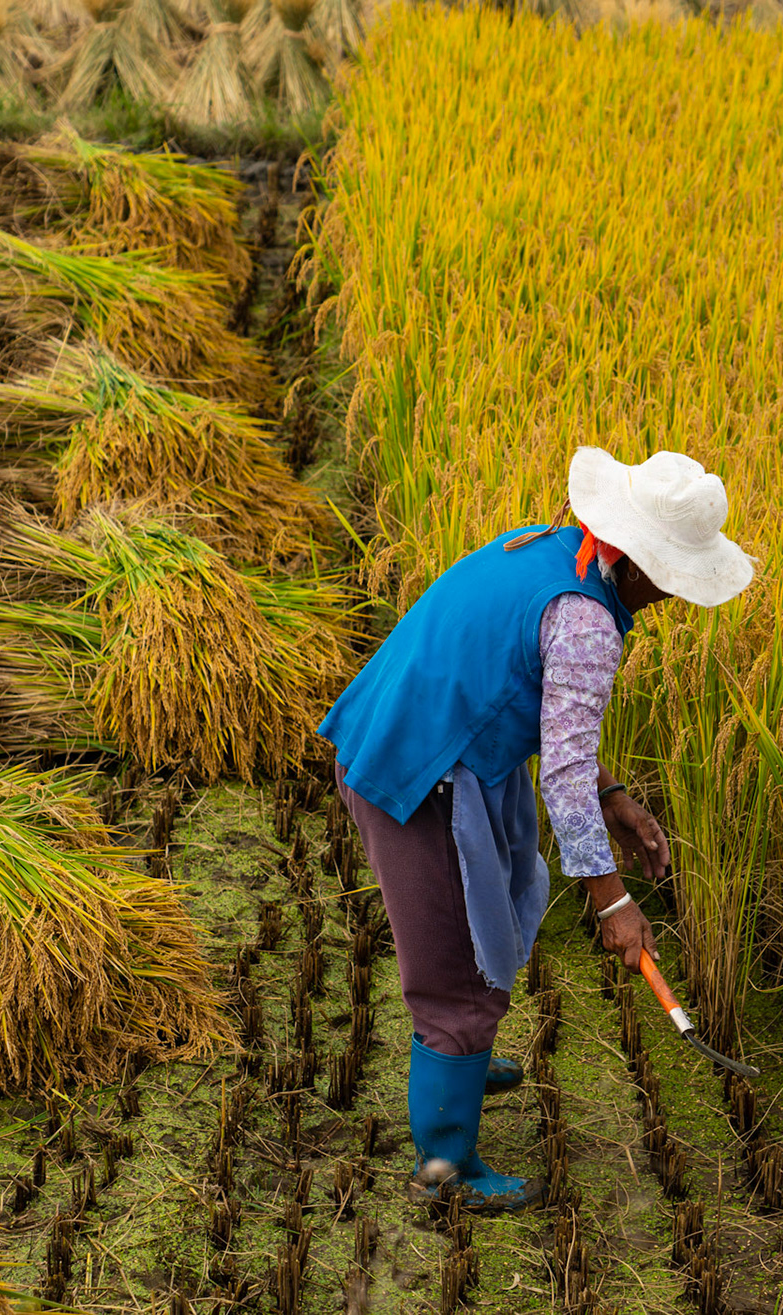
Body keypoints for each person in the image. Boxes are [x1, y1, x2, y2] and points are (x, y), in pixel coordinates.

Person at [319, 446, 754, 1213]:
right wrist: (614, 903)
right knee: (455, 971)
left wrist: (614, 794)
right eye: (677, 578)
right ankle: (446, 1165)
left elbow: (561, 724)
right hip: (421, 775)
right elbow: (560, 773)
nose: (677, 596)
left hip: (418, 734)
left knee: (492, 916)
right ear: (644, 564)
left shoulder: (545, 547)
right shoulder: (588, 620)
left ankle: (459, 1063)